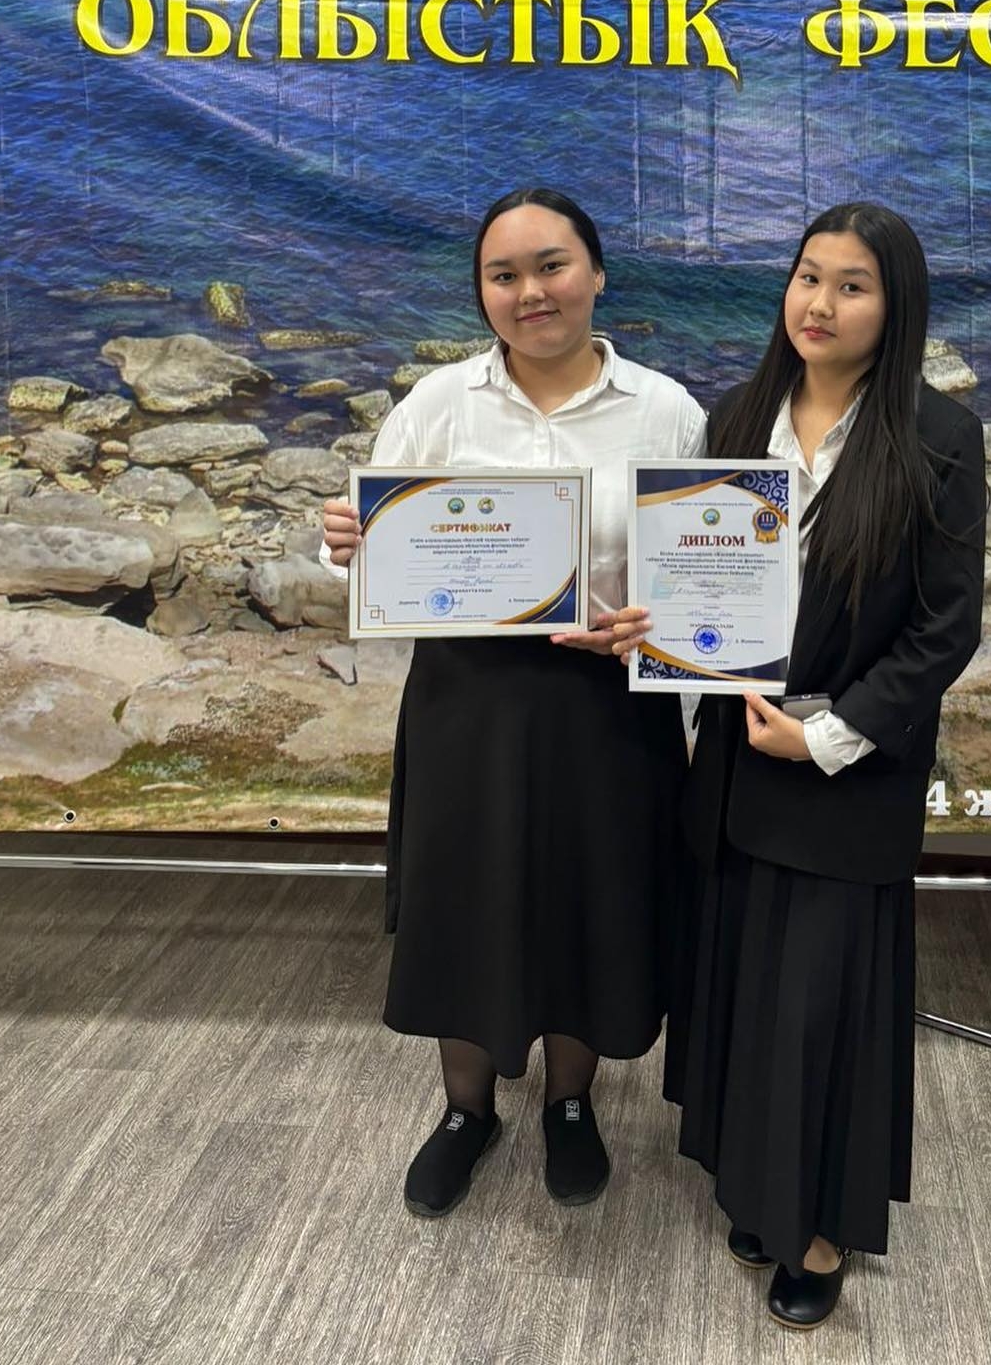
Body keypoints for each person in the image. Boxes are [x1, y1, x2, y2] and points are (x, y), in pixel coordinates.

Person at [321, 188, 705, 1220]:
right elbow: (366, 545)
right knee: (465, 904)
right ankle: (467, 1111)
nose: (531, 291)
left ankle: (571, 1102)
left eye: (552, 265)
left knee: (592, 903)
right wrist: (344, 542)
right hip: (466, 706)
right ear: (483, 293)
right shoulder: (440, 402)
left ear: (597, 273)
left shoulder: (666, 410)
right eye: (504, 275)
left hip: (605, 709)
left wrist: (654, 623)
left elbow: (700, 571)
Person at [641, 201, 985, 1331]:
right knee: (743, 980)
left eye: (851, 285)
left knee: (822, 1005)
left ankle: (822, 1224)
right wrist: (664, 639)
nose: (819, 304)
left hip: (846, 769)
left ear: (896, 306)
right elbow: (697, 577)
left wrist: (830, 734)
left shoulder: (939, 436)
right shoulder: (739, 415)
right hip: (738, 760)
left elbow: (944, 629)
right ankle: (757, 1187)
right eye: (806, 277)